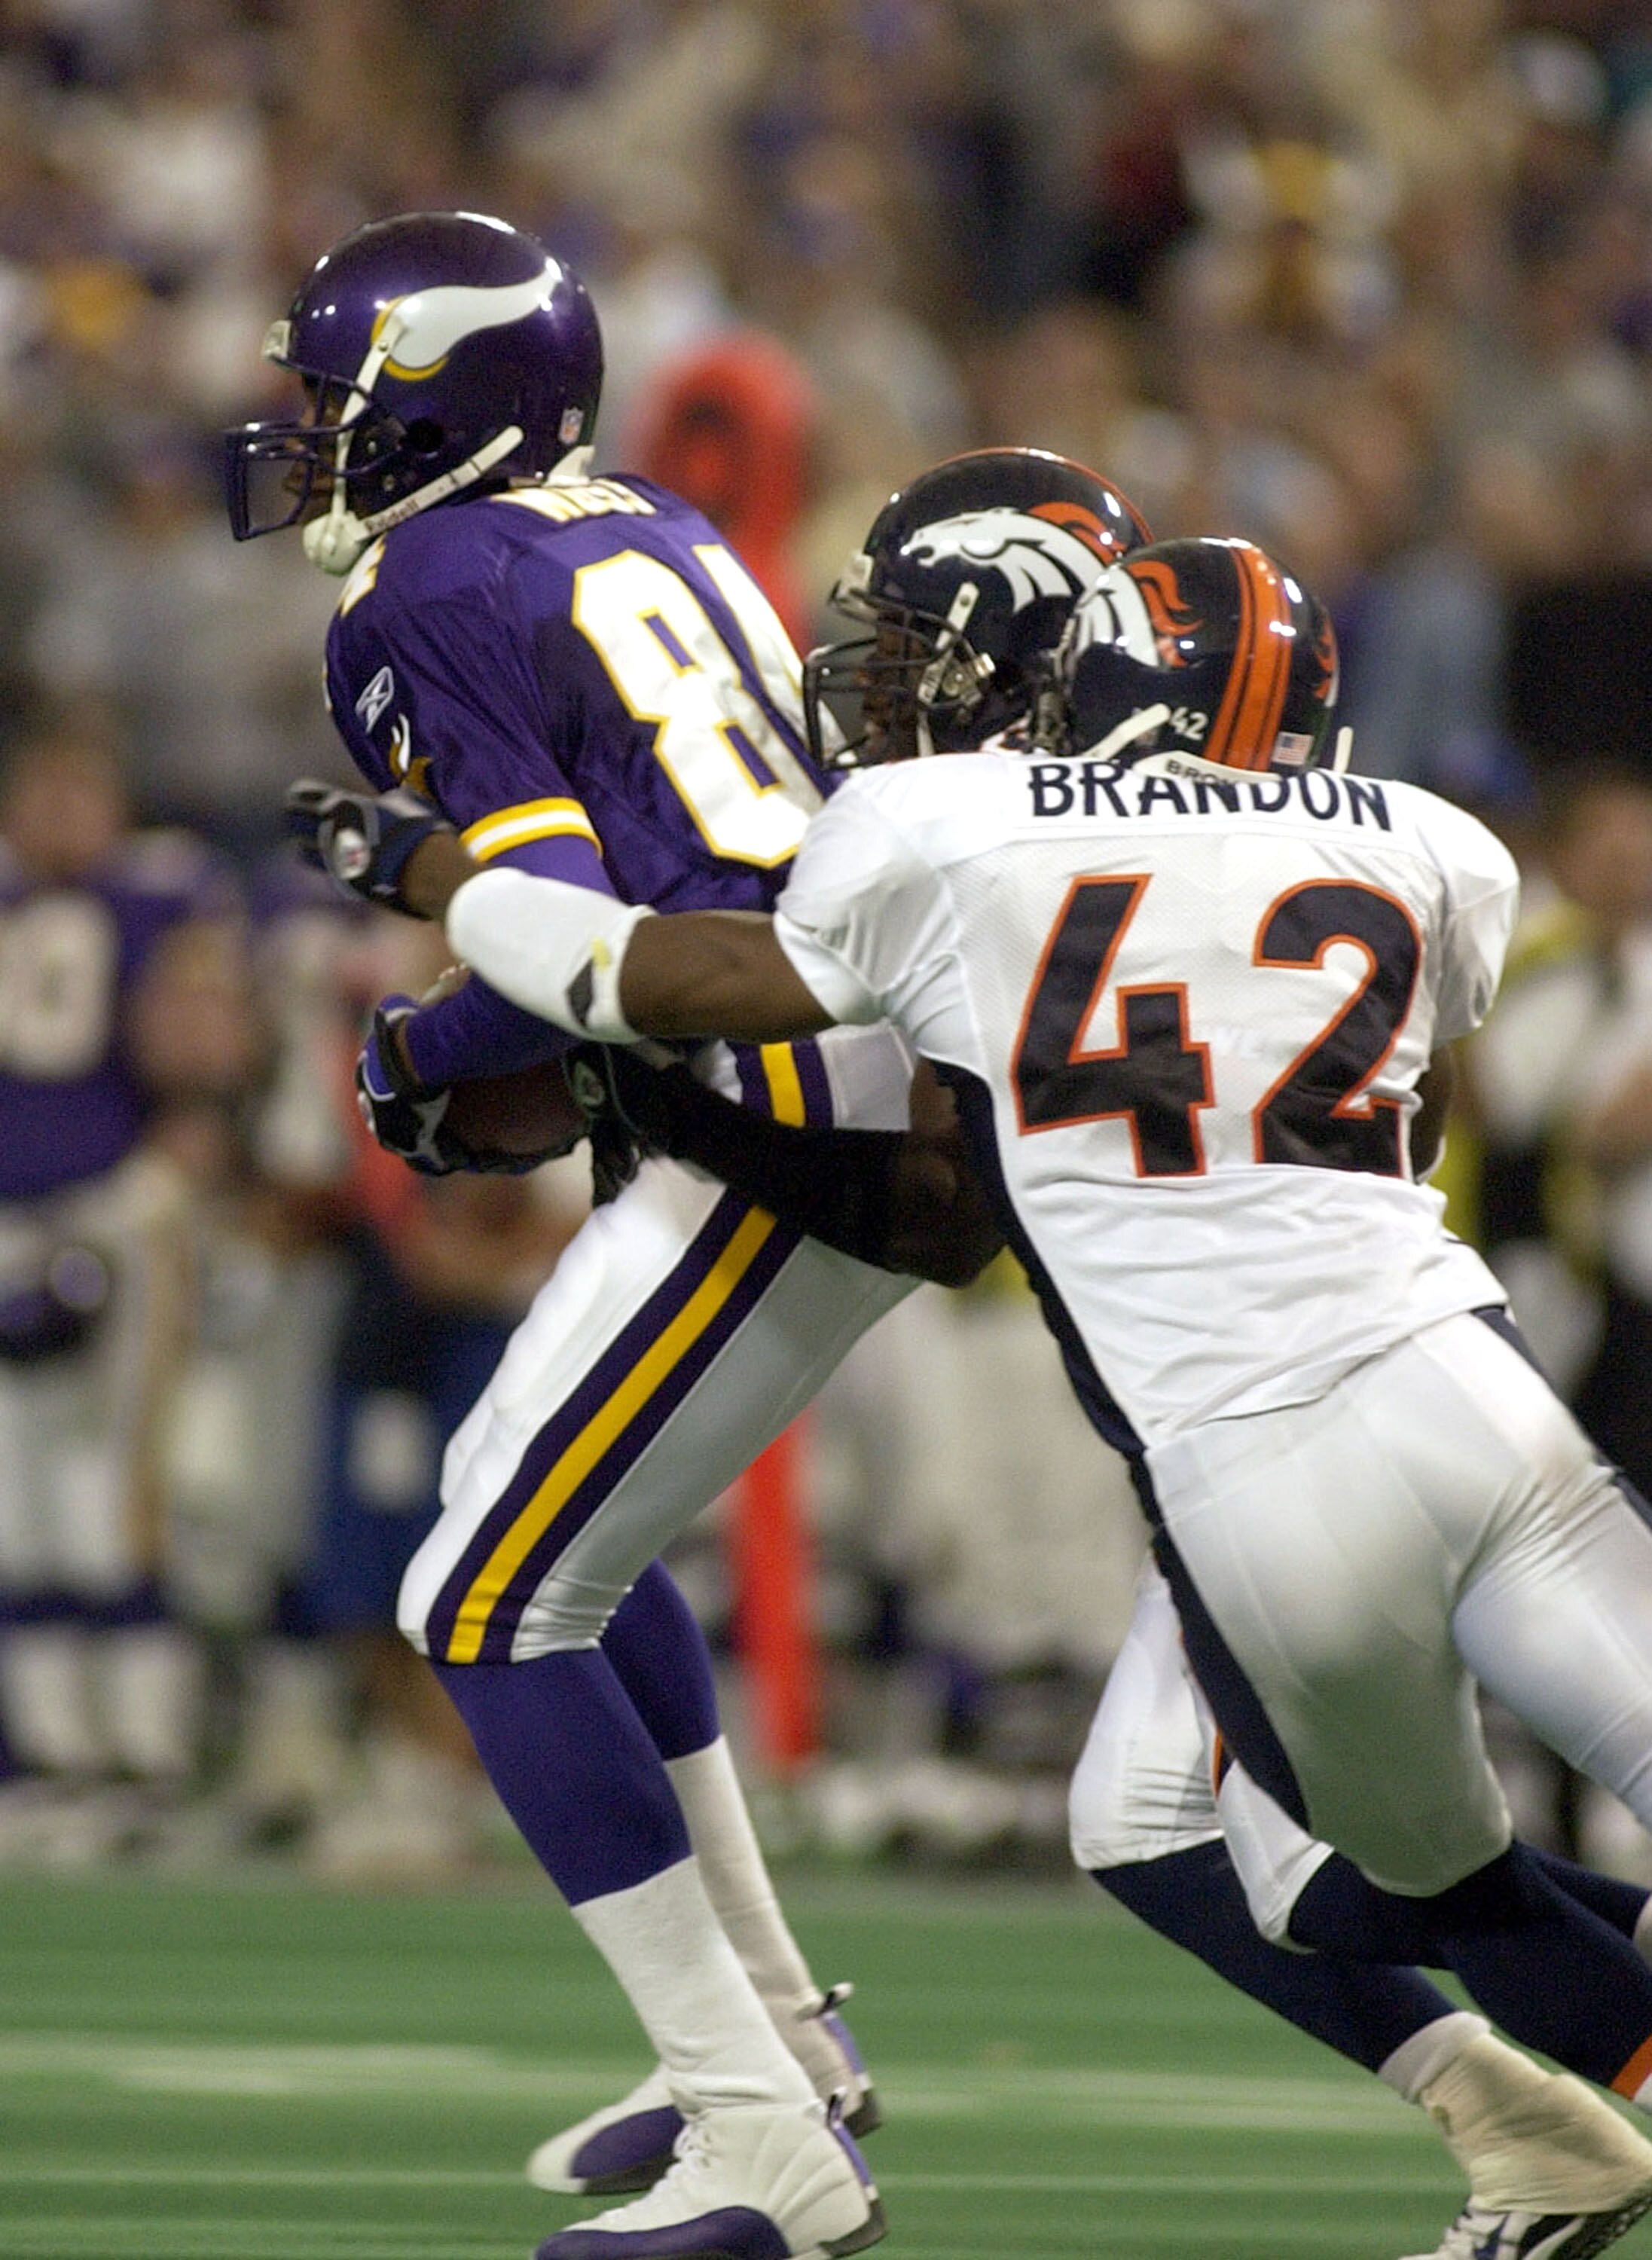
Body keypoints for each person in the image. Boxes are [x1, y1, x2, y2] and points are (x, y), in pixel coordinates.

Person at [293, 469, 1652, 2259]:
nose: (865, 685)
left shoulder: (969, 843)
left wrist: (434, 881)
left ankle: (767, 2091)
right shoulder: (1410, 840)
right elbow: (1402, 1095)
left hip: (1255, 1465)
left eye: (918, 649)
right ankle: (1534, 2134)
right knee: (1155, 1830)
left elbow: (692, 998)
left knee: (1340, 1877)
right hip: (1450, 1388)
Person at [228, 212, 1159, 2260]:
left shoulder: (429, 581)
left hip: (754, 1079)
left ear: (436, 409)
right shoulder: (628, 512)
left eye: (338, 401)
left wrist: (417, 1053)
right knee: (569, 1542)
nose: (307, 438)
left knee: (480, 1593)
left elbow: (553, 927)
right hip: (805, 1045)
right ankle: (768, 2046)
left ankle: (766, 2140)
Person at [0, 717, 240, 1855]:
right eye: (38, 789)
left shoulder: (160, 898)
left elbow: (211, 1049)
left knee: (119, 1485)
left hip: (116, 1215)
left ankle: (141, 1754)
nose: (58, 813)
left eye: (76, 788)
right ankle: (52, 1754)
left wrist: (175, 1150)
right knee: (16, 1502)